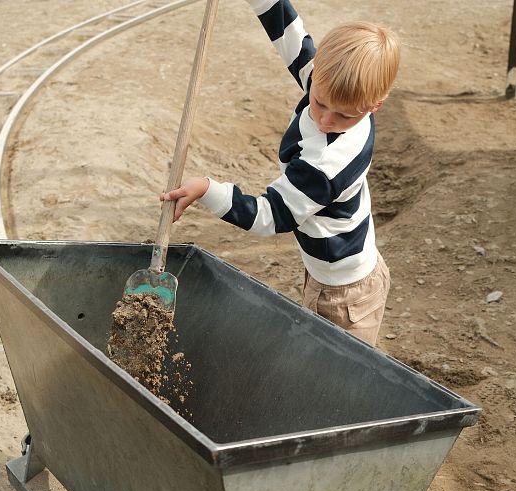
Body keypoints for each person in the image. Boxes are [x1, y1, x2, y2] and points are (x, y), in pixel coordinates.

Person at [162, 0, 400, 346]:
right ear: (318, 74)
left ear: (374, 105)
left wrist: (209, 190)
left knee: (333, 383)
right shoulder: (329, 81)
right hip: (333, 267)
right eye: (318, 102)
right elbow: (291, 38)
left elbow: (269, 216)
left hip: (344, 293)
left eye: (344, 116)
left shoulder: (327, 164)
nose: (325, 120)